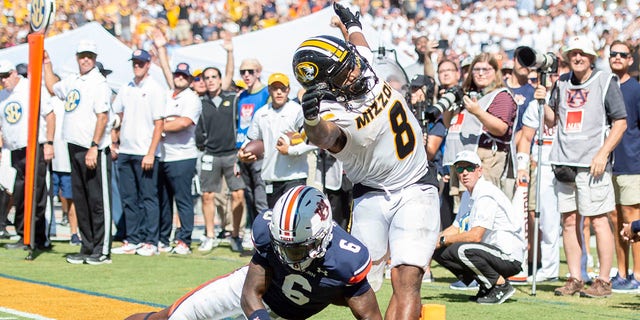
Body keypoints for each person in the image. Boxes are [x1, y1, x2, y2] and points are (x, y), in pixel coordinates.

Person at [293, 4, 440, 319]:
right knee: (358, 286)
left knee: (407, 277)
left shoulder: (361, 69)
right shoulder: (331, 112)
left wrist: (352, 22)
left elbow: (360, 47)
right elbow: (324, 136)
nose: (357, 70)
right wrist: (310, 116)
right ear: (325, 85)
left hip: (415, 186)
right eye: (347, 71)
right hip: (370, 195)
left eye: (353, 64)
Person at [125, 186, 382, 320]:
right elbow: (250, 293)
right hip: (249, 292)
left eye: (296, 249)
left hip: (287, 315)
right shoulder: (268, 232)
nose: (287, 255)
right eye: (283, 246)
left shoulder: (348, 259)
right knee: (173, 317)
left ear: (322, 237)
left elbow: (369, 315)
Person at [540, 35, 627, 298]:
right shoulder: (562, 83)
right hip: (564, 161)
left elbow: (620, 122)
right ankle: (575, 277)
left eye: (582, 53)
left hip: (593, 163)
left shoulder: (604, 81)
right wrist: (543, 99)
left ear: (591, 57)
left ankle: (603, 280)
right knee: (568, 222)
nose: (577, 57)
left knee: (599, 221)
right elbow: (553, 120)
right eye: (573, 53)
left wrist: (603, 154)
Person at [44, 41, 113, 265]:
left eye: (89, 56)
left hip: (92, 147)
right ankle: (87, 245)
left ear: (94, 58)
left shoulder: (99, 83)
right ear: (77, 57)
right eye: (82, 56)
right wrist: (46, 63)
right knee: (81, 200)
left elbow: (102, 116)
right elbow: (53, 86)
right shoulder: (74, 80)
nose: (86, 60)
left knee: (98, 200)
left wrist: (94, 145)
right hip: (74, 145)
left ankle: (102, 250)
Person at [433, 150, 524, 304]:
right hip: (489, 252)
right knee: (438, 250)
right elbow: (456, 227)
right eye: (460, 169)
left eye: (470, 168)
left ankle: (500, 285)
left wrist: (443, 240)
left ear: (479, 171)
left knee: (460, 249)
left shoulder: (485, 193)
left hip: (509, 256)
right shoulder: (468, 195)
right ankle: (485, 286)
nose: (465, 173)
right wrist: (433, 241)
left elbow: (475, 236)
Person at [110, 49, 166, 256]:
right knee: (129, 197)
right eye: (134, 62)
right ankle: (133, 238)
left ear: (148, 64)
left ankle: (151, 240)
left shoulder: (155, 89)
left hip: (144, 150)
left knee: (148, 197)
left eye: (140, 63)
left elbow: (159, 123)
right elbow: (116, 114)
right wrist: (113, 139)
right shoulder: (126, 87)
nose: (137, 66)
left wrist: (151, 152)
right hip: (126, 149)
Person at [443, 53, 518, 199]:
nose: (481, 74)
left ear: (496, 72)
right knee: (462, 212)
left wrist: (477, 112)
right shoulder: (465, 95)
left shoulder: (501, 95)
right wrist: (448, 104)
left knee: (483, 205)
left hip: (486, 159)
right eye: (476, 70)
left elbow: (501, 128)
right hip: (461, 161)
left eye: (486, 69)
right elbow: (449, 124)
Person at [0, 60, 55, 250]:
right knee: (19, 193)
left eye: (6, 75)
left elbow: (49, 114)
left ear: (14, 73)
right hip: (15, 150)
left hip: (35, 146)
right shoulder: (2, 96)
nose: (3, 80)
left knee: (38, 192)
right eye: (0, 77)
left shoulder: (31, 88)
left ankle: (41, 237)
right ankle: (24, 235)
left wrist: (49, 142)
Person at [238, 73, 315, 208]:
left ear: (288, 90)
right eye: (275, 88)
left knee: (293, 220)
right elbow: (251, 139)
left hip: (295, 176)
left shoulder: (297, 111)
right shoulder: (261, 113)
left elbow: (312, 141)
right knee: (275, 221)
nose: (279, 92)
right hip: (271, 176)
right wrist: (243, 153)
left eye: (282, 88)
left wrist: (291, 150)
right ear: (269, 90)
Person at [195, 65, 245, 252]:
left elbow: (231, 73)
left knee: (238, 195)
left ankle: (235, 235)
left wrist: (230, 51)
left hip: (232, 153)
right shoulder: (200, 101)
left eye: (214, 76)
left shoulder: (232, 98)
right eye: (206, 77)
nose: (210, 80)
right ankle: (210, 235)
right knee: (207, 196)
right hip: (210, 154)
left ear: (220, 79)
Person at [607, 40, 640, 292]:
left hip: (632, 162)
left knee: (633, 219)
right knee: (615, 219)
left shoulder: (635, 89)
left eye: (622, 54)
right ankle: (622, 271)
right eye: (613, 54)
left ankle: (637, 275)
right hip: (607, 163)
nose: (617, 57)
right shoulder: (604, 86)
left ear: (630, 60)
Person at [235, 58, 270, 251]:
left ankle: (264, 236)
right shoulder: (241, 97)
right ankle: (254, 233)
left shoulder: (266, 93)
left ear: (258, 72)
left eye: (250, 71)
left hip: (259, 153)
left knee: (260, 197)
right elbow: (239, 127)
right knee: (249, 197)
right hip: (242, 152)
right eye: (243, 72)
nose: (246, 75)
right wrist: (237, 156)